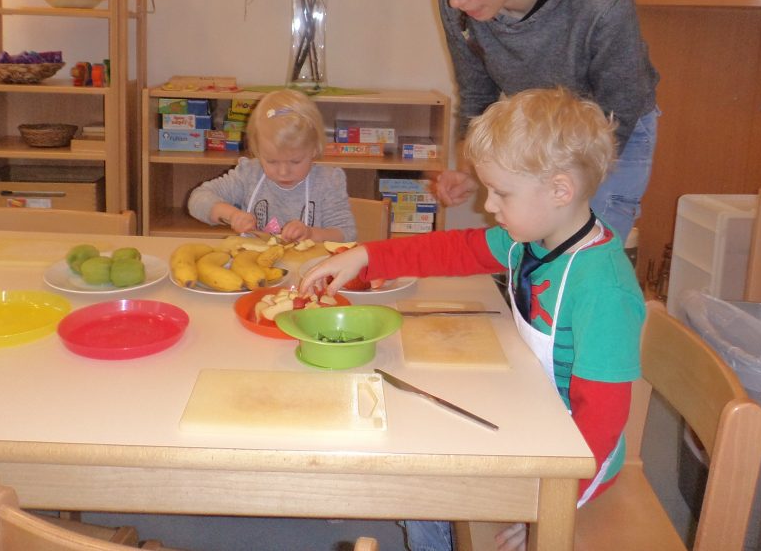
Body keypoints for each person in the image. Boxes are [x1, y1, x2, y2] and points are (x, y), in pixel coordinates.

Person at [300, 88, 645, 551]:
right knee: (426, 441)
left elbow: (601, 422)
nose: (489, 206)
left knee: (428, 475)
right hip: (534, 410)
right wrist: (366, 256)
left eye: (502, 193)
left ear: (560, 190)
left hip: (573, 461)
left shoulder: (603, 290)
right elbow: (455, 250)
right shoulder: (530, 242)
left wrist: (552, 507)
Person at [428, 0, 660, 241]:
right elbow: (476, 95)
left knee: (584, 250)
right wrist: (473, 168)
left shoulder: (601, 3)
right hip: (542, 128)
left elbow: (619, 111)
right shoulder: (459, 5)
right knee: (537, 248)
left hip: (613, 128)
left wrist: (548, 185)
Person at [187, 89, 356, 242]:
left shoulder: (328, 181)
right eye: (272, 161)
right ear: (258, 151)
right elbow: (198, 199)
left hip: (311, 265)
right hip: (254, 263)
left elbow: (347, 234)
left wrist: (311, 234)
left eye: (295, 161)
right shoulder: (249, 174)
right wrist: (232, 215)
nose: (283, 172)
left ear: (314, 149)